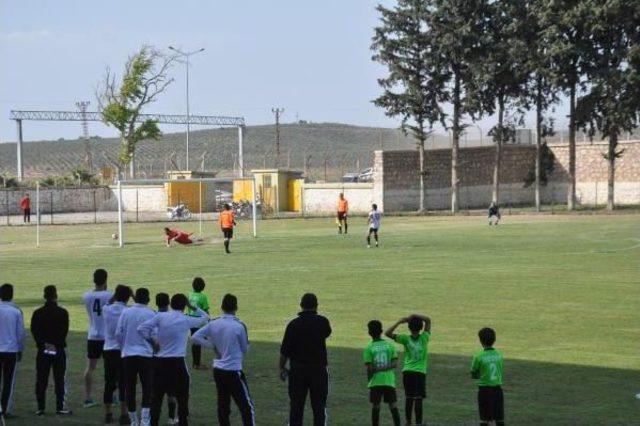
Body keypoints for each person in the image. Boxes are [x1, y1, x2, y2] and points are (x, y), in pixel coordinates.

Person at [138, 294, 208, 426]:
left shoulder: (161, 317)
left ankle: (153, 422)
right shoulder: (186, 319)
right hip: (177, 363)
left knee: (156, 398)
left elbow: (141, 328)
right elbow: (205, 318)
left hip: (159, 362)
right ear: (184, 305)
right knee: (182, 396)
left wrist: (152, 342)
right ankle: (183, 421)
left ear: (171, 303)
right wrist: (192, 307)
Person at [192, 294, 254, 426]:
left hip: (219, 369)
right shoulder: (239, 326)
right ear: (236, 307)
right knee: (246, 406)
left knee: (223, 405)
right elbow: (244, 349)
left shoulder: (214, 323)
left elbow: (195, 337)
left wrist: (212, 346)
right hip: (233, 370)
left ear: (222, 307)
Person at [279, 293, 332, 426]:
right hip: (319, 370)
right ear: (316, 305)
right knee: (319, 408)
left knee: (296, 408)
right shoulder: (323, 322)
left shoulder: (293, 325)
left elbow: (285, 350)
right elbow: (327, 333)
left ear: (301, 305)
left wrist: (281, 367)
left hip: (298, 371)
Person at [30, 285, 72, 416]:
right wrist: (55, 344)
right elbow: (64, 331)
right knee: (59, 379)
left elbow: (34, 331)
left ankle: (40, 407)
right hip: (58, 349)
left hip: (43, 350)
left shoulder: (38, 313)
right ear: (56, 295)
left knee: (41, 379)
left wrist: (43, 344)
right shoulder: (62, 312)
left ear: (44, 296)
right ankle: (60, 407)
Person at [116, 288, 156, 426]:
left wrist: (124, 348)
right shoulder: (151, 313)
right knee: (147, 387)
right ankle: (145, 419)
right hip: (145, 355)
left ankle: (133, 420)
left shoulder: (126, 312)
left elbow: (118, 333)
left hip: (128, 355)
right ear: (148, 299)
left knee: (130, 387)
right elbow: (155, 334)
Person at [385, 314, 432, 426]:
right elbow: (428, 320)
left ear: (409, 328)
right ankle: (419, 423)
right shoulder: (424, 338)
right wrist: (414, 315)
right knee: (419, 398)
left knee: (409, 397)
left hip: (407, 371)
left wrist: (400, 321)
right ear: (421, 328)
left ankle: (408, 421)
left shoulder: (405, 339)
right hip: (420, 372)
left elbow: (387, 333)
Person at [82, 269, 113, 408]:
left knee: (90, 368)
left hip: (93, 336)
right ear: (106, 280)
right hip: (108, 337)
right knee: (113, 368)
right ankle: (112, 396)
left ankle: (88, 398)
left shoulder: (87, 296)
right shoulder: (110, 295)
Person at [103, 285, 132, 424]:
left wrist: (115, 295)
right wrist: (133, 296)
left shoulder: (106, 309)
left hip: (108, 349)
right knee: (124, 383)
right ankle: (124, 414)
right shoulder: (128, 311)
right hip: (123, 351)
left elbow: (108, 302)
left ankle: (108, 413)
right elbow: (142, 307)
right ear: (127, 297)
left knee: (109, 382)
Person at [364, 320, 400, 426]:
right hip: (389, 381)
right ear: (381, 331)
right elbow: (394, 364)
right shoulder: (390, 345)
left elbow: (370, 368)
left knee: (376, 406)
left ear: (369, 332)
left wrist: (370, 379)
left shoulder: (368, 348)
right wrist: (384, 368)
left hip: (375, 382)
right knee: (393, 405)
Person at [0, 284, 25, 421]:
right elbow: (20, 333)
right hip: (10, 351)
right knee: (9, 382)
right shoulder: (16, 311)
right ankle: (5, 409)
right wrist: (20, 349)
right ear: (12, 295)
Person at [471, 327, 504, 426]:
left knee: (485, 419)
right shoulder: (499, 354)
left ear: (480, 340)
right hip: (498, 389)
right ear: (494, 339)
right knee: (499, 418)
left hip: (484, 390)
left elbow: (474, 374)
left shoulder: (479, 356)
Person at [154, 293, 178, 425]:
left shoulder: (152, 317)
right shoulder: (172, 318)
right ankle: (171, 417)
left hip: (155, 358)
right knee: (171, 391)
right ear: (168, 302)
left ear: (156, 303)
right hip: (170, 358)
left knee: (156, 392)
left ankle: (154, 419)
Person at [187, 278, 210, 370]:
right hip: (199, 322)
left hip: (191, 321)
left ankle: (196, 363)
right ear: (203, 287)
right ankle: (197, 364)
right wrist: (208, 319)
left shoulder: (190, 294)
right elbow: (205, 310)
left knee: (196, 341)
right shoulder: (203, 297)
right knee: (198, 342)